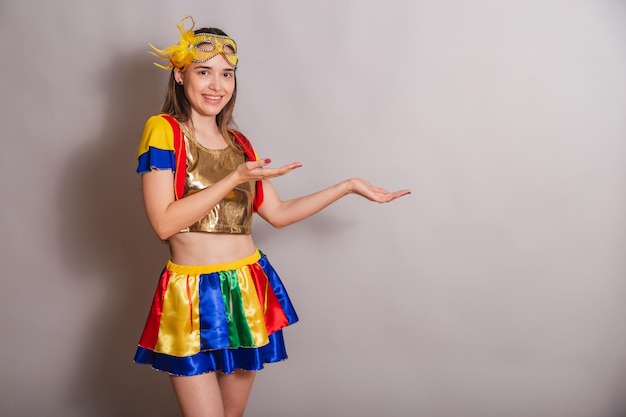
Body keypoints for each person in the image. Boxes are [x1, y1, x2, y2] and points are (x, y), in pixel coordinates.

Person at [133, 16, 411, 417]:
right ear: (180, 75)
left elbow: (277, 214)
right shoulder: (163, 130)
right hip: (191, 294)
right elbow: (163, 222)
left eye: (226, 74)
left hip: (246, 286)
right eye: (204, 72)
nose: (217, 85)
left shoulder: (239, 143)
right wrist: (235, 178)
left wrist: (347, 186)